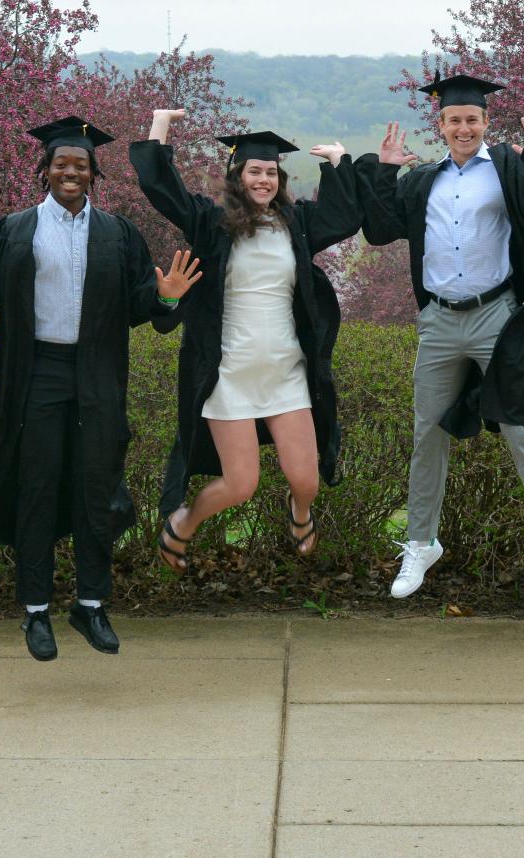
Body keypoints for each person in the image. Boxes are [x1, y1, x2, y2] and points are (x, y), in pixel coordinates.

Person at [0, 116, 202, 661]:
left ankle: (91, 604)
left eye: (80, 164)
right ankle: (35, 612)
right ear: (44, 170)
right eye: (60, 163)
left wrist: (167, 298)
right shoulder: (12, 229)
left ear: (94, 173)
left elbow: (141, 302)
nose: (70, 171)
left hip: (97, 373)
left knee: (96, 487)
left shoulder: (118, 234)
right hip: (36, 373)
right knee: (37, 486)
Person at [356, 74, 524, 601]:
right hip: (438, 321)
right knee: (427, 432)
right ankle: (420, 542)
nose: (463, 127)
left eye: (472, 119)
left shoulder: (507, 169)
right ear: (441, 125)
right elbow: (381, 229)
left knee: (520, 426)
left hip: (496, 318)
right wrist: (385, 170)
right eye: (454, 120)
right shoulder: (423, 180)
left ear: (485, 123)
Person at [128, 111, 362, 571]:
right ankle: (184, 521)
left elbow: (345, 217)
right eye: (255, 171)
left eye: (271, 172)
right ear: (237, 175)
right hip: (230, 374)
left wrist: (339, 162)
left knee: (306, 480)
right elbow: (162, 190)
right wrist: (159, 127)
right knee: (241, 485)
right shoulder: (212, 224)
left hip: (284, 372)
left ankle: (300, 515)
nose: (264, 179)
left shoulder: (296, 225)